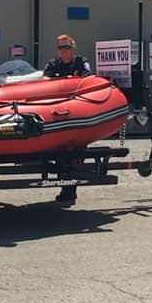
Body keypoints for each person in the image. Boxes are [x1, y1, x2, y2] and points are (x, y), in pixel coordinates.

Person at [43, 34, 90, 205]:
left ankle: (70, 191)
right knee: (59, 154)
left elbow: (87, 79)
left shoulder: (81, 62)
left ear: (73, 48)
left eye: (66, 47)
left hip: (77, 113)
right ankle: (66, 189)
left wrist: (67, 82)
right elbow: (45, 80)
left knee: (75, 156)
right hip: (58, 113)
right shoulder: (53, 64)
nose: (63, 51)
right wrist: (66, 81)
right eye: (60, 47)